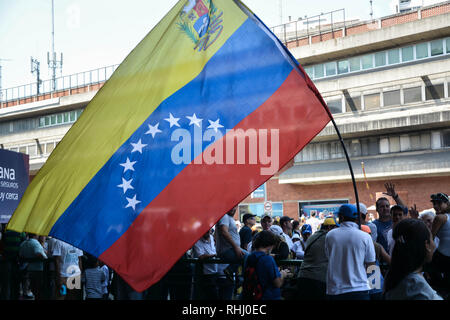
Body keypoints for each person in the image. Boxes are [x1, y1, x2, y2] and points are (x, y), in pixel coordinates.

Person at [325, 204, 376, 300]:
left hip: (335, 290)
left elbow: (329, 257)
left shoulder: (330, 235)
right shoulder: (365, 236)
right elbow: (371, 265)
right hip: (360, 289)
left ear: (342, 217)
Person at [384, 219, 442, 300]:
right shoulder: (416, 286)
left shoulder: (395, 275)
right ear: (426, 245)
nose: (434, 245)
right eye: (432, 239)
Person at [296, 216, 339, 300]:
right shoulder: (330, 238)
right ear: (329, 227)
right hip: (318, 279)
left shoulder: (312, 237)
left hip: (302, 276)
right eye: (335, 227)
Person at [242, 230, 290, 300]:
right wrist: (283, 274)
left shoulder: (250, 257)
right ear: (271, 244)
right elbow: (277, 283)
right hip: (268, 296)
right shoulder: (268, 259)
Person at [430, 193, 450, 295]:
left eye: (439, 203)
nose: (435, 206)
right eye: (434, 203)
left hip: (442, 260)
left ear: (447, 203)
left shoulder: (440, 218)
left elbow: (430, 238)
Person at [18, 233, 47, 300]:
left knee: (33, 288)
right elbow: (39, 254)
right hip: (37, 269)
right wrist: (44, 256)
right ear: (36, 235)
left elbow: (20, 255)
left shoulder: (23, 243)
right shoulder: (35, 243)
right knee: (38, 289)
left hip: (28, 268)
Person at [192, 229, 219, 300]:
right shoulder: (197, 241)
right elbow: (201, 256)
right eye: (205, 231)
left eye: (208, 231)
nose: (207, 232)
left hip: (215, 271)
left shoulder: (212, 238)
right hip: (205, 273)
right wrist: (214, 255)